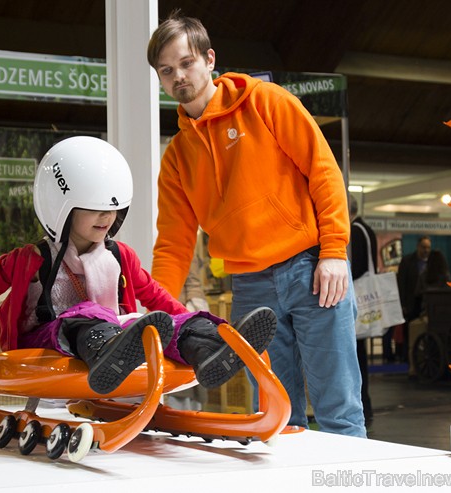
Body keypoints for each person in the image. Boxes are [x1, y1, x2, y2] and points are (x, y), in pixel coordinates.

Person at [0, 136, 277, 395]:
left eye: (114, 208)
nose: (107, 217)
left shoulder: (119, 256)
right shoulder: (30, 259)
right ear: (63, 207)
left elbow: (156, 296)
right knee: (86, 314)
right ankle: (111, 354)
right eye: (95, 208)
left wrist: (183, 320)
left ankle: (211, 347)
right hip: (48, 338)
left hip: (113, 332)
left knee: (171, 321)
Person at [146, 13, 365, 437]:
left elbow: (324, 172)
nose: (179, 77)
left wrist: (335, 251)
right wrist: (160, 309)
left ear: (210, 60)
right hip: (250, 287)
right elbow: (173, 242)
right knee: (275, 418)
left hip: (313, 269)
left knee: (339, 410)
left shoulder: (265, 101)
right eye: (167, 71)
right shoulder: (176, 158)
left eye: (186, 63)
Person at [349, 196, 376, 427]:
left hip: (358, 298)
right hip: (368, 296)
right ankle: (365, 405)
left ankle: (363, 405)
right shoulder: (366, 229)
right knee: (360, 356)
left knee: (356, 356)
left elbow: (356, 267)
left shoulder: (355, 231)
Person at [395, 235, 431, 363]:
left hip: (426, 304)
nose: (426, 250)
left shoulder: (432, 263)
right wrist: (402, 304)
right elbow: (401, 283)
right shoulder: (407, 261)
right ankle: (407, 359)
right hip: (410, 303)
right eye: (423, 247)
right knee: (407, 333)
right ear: (418, 247)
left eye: (428, 247)